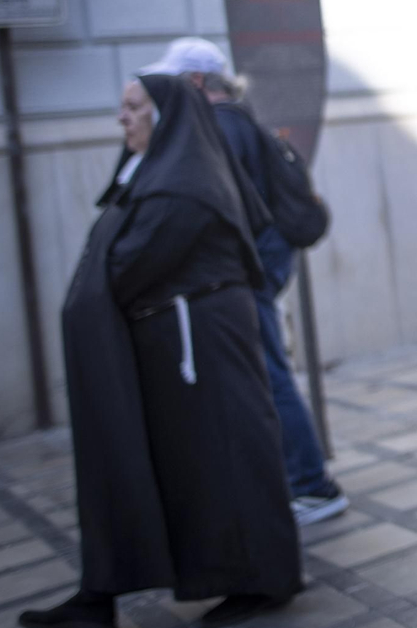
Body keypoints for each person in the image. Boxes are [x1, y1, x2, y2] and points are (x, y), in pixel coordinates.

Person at [20, 75, 301, 628]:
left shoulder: (184, 184)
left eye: (132, 107)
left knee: (231, 459)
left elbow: (126, 264)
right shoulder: (156, 172)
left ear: (165, 117)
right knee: (198, 470)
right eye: (120, 107)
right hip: (178, 342)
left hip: (204, 342)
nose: (121, 119)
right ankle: (106, 593)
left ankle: (263, 578)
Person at [142, 37, 348, 525]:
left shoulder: (219, 126)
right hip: (259, 263)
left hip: (248, 268)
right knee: (267, 369)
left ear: (194, 82)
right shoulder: (236, 120)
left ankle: (312, 485)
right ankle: (302, 480)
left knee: (271, 372)